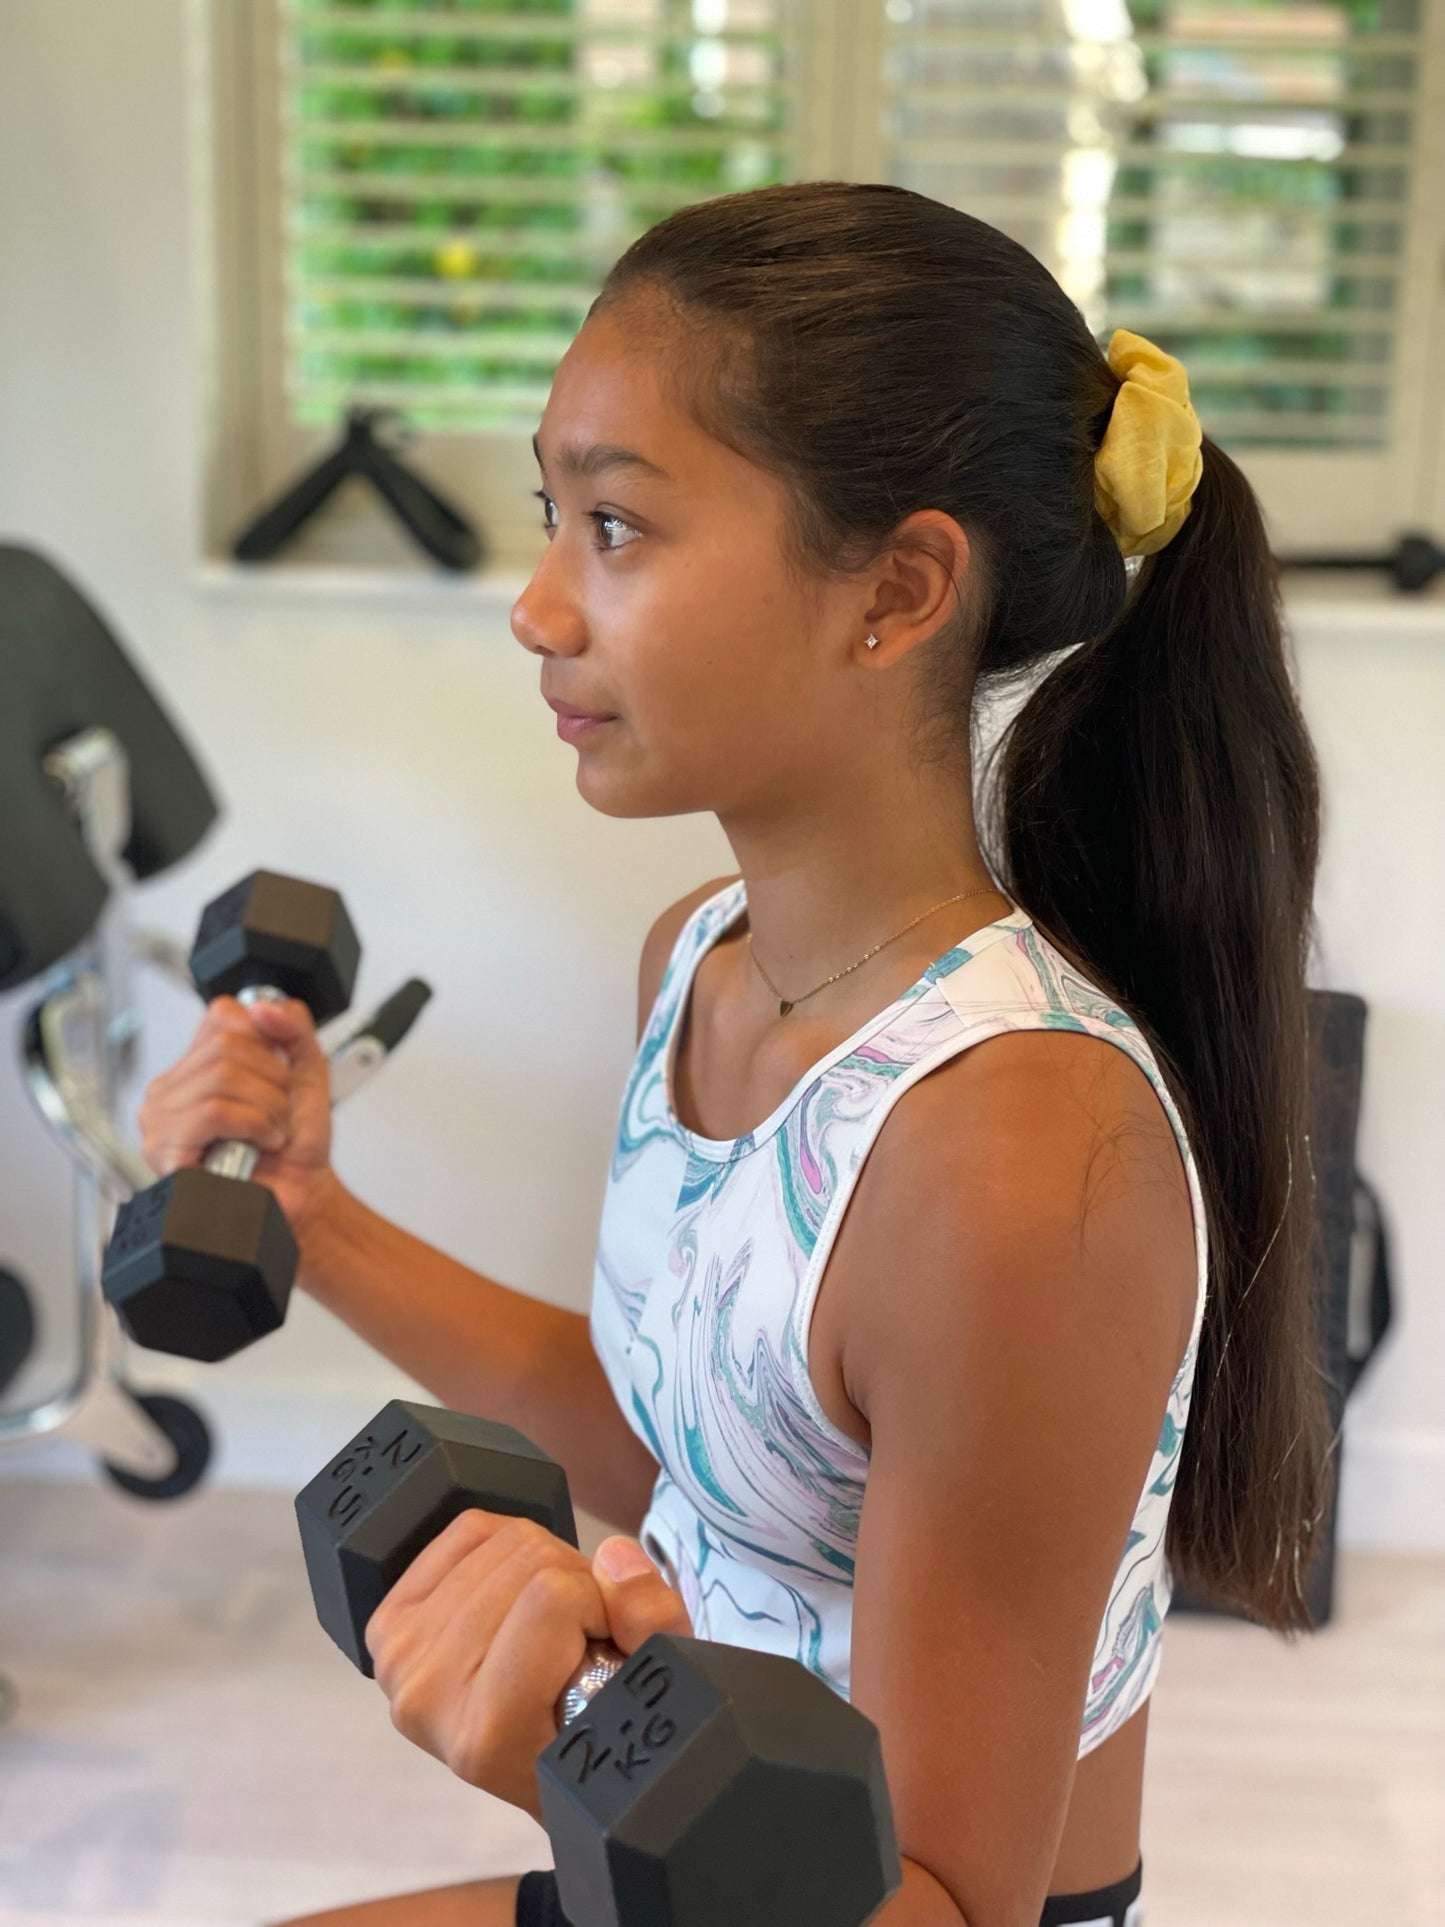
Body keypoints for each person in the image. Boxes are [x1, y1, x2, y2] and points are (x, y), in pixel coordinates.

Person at [141, 182, 1331, 1927]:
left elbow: (949, 1902)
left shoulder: (1013, 1157)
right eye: (554, 514)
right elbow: (689, 1443)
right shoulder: (699, 959)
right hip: (698, 1872)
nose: (539, 607)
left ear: (898, 590)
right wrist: (312, 1216)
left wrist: (573, 1725)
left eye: (614, 528)